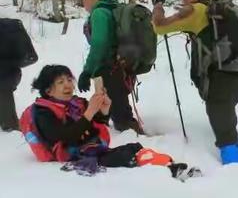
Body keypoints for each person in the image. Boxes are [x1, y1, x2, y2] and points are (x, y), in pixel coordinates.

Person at [20, 65, 200, 180]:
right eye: (60, 82)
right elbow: (65, 135)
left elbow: (95, 124)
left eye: (69, 80)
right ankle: (171, 171)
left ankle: (170, 166)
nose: (68, 85)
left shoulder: (76, 103)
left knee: (134, 148)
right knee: (126, 155)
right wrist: (90, 112)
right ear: (48, 91)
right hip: (72, 156)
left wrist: (104, 110)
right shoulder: (42, 112)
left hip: (91, 148)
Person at [151, 0, 238, 165]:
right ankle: (235, 145)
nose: (183, 1)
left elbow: (159, 27)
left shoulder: (196, 10)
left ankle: (236, 168)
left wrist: (158, 5)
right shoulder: (225, 6)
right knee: (225, 115)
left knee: (222, 124)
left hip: (221, 77)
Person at [78, 0, 143, 134]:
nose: (84, 5)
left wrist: (87, 71)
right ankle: (129, 134)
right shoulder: (114, 8)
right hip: (123, 65)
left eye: (84, 1)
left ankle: (137, 142)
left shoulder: (99, 13)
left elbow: (99, 44)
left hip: (110, 67)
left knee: (121, 116)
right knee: (118, 104)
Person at [0, 18, 38, 132]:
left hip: (6, 75)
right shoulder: (9, 28)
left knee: (3, 90)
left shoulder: (8, 29)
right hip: (9, 74)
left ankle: (11, 125)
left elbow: (31, 57)